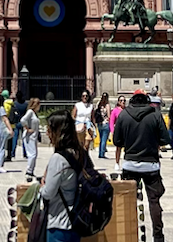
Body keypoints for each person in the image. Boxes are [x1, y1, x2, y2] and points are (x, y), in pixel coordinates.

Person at [113, 90, 169, 242]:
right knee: (154, 201)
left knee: (129, 201)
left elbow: (117, 141)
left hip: (130, 164)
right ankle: (158, 236)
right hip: (151, 165)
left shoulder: (124, 115)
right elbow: (165, 139)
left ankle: (129, 234)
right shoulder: (156, 114)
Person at [40, 112, 84, 242]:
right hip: (76, 220)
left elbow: (48, 193)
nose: (47, 133)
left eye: (49, 130)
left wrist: (41, 186)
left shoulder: (58, 159)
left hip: (59, 223)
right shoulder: (79, 153)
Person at [23, 97, 42, 179]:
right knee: (32, 154)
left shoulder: (34, 113)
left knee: (34, 154)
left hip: (34, 137)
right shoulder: (30, 112)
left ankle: (31, 170)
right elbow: (23, 120)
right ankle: (29, 171)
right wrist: (27, 129)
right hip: (29, 136)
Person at [109, 95, 127, 172]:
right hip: (118, 131)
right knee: (118, 147)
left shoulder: (127, 110)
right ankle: (117, 162)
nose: (123, 102)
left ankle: (126, 163)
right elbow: (111, 121)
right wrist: (112, 131)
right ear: (118, 102)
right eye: (121, 100)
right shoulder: (115, 111)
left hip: (126, 131)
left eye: (124, 101)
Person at [93, 93, 111, 159]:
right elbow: (109, 116)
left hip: (99, 123)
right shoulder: (107, 105)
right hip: (105, 123)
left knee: (101, 139)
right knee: (104, 140)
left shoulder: (99, 104)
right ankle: (102, 154)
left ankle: (100, 153)